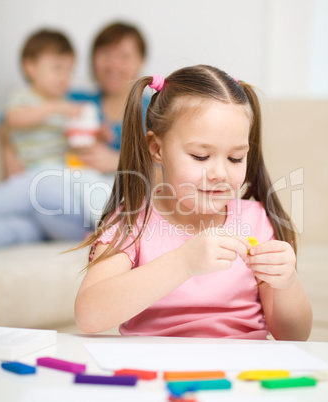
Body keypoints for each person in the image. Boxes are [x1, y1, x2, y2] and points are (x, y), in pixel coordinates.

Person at [74, 65, 313, 341]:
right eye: (200, 156)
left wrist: (287, 283)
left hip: (241, 374)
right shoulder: (131, 222)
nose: (220, 173)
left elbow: (294, 337)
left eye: (235, 158)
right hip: (157, 372)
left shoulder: (257, 221)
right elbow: (88, 315)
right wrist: (185, 262)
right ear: (157, 149)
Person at [0, 29, 88, 247]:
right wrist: (55, 107)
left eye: (69, 71)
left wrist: (92, 131)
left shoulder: (65, 104)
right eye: (57, 68)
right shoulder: (24, 98)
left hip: (53, 182)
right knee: (13, 230)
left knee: (35, 188)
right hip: (34, 190)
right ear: (30, 67)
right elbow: (12, 119)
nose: (65, 77)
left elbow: (75, 142)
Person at [68, 22, 149, 174]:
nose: (113, 64)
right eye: (105, 54)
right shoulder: (74, 102)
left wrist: (120, 162)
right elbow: (10, 129)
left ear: (140, 62)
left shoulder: (156, 112)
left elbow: (169, 174)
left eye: (124, 57)